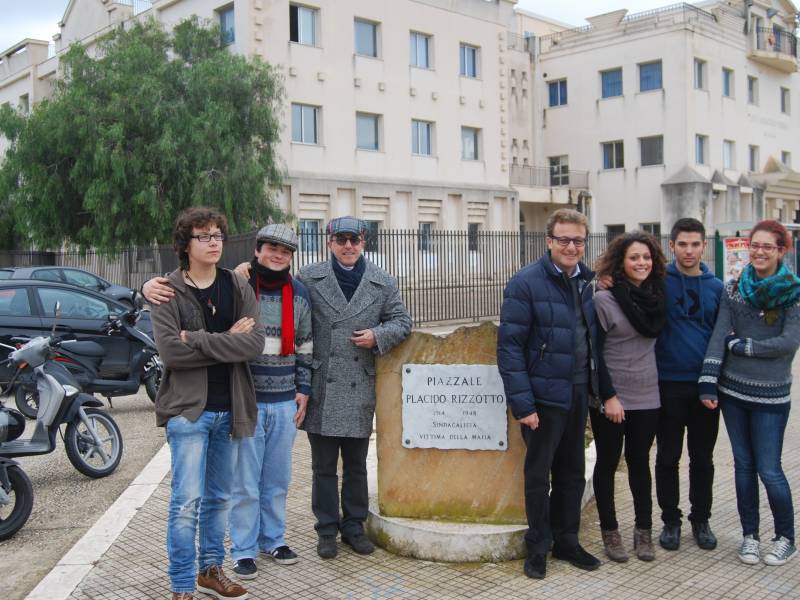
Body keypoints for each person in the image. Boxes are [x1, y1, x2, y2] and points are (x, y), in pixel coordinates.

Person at [144, 224, 314, 581]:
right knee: (241, 484)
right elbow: (175, 347)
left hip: (283, 398)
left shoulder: (298, 293)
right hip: (246, 397)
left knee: (277, 479)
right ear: (257, 250)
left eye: (286, 251)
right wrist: (145, 288)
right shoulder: (241, 284)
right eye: (272, 248)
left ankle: (274, 539)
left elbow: (303, 344)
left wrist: (303, 387)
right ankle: (242, 549)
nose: (278, 255)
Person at [235, 216, 412, 560]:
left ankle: (354, 526)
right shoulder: (308, 278)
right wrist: (244, 268)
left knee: (357, 465)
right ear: (329, 242)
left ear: (364, 243)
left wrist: (378, 336)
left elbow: (403, 321)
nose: (348, 246)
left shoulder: (383, 282)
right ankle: (327, 529)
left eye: (355, 239)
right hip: (322, 384)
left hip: (359, 383)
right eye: (341, 239)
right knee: (324, 467)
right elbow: (271, 283)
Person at [150, 207, 265, 600]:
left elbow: (253, 344)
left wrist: (196, 338)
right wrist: (226, 340)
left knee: (219, 498)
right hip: (188, 412)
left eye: (217, 235)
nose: (214, 242)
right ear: (186, 244)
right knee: (186, 502)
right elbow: (170, 353)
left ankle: (211, 570)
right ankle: (182, 585)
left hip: (230, 408)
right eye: (204, 236)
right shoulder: (166, 289)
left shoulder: (236, 285)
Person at [497, 208, 614, 580]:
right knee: (538, 476)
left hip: (579, 391)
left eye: (578, 240)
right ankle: (537, 547)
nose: (571, 246)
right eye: (563, 239)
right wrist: (523, 404)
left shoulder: (588, 282)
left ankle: (567, 541)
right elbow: (510, 348)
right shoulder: (525, 282)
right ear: (549, 241)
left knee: (573, 472)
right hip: (543, 397)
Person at [700, 220, 800, 567]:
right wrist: (708, 380)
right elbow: (718, 336)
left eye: (767, 247)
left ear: (781, 251)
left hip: (772, 396)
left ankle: (786, 537)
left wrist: (743, 347)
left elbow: (788, 343)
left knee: (770, 469)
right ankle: (750, 537)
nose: (758, 252)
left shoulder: (794, 292)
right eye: (754, 245)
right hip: (732, 393)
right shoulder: (734, 289)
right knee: (743, 467)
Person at [591, 231, 667, 563]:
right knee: (608, 463)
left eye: (646, 257)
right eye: (634, 257)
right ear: (621, 261)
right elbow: (594, 353)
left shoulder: (657, 296)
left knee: (639, 463)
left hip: (648, 394)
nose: (641, 263)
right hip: (612, 397)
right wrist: (609, 396)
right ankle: (610, 533)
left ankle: (644, 532)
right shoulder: (603, 299)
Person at [654, 219, 723, 552]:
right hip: (667, 384)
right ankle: (670, 520)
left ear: (704, 246)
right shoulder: (657, 282)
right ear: (672, 246)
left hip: (705, 388)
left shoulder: (716, 288)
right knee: (667, 457)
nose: (689, 250)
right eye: (683, 244)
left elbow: (722, 336)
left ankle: (701, 519)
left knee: (703, 459)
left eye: (695, 244)